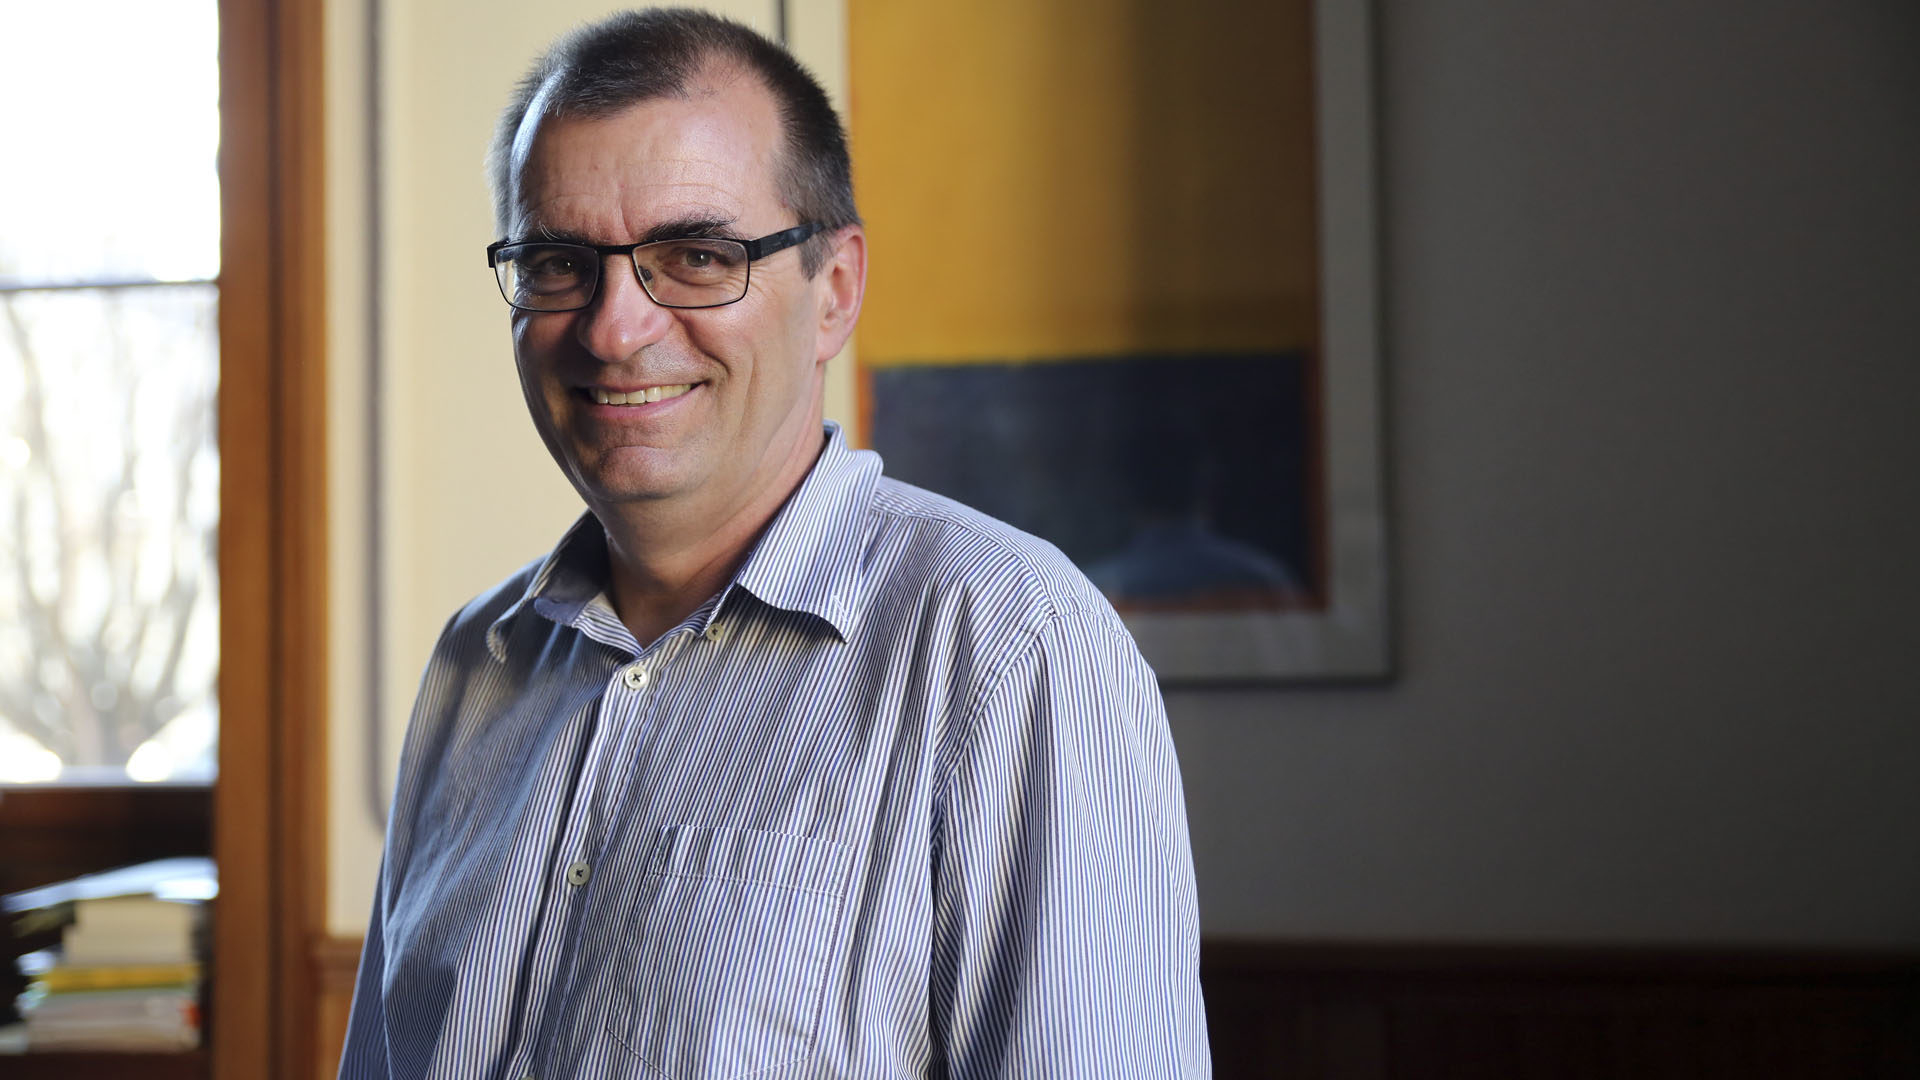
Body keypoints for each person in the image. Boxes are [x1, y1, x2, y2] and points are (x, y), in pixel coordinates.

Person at [338, 9, 1209, 1078]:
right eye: (559, 261)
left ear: (835, 289)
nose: (616, 329)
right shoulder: (480, 664)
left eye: (697, 255)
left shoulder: (1010, 649)